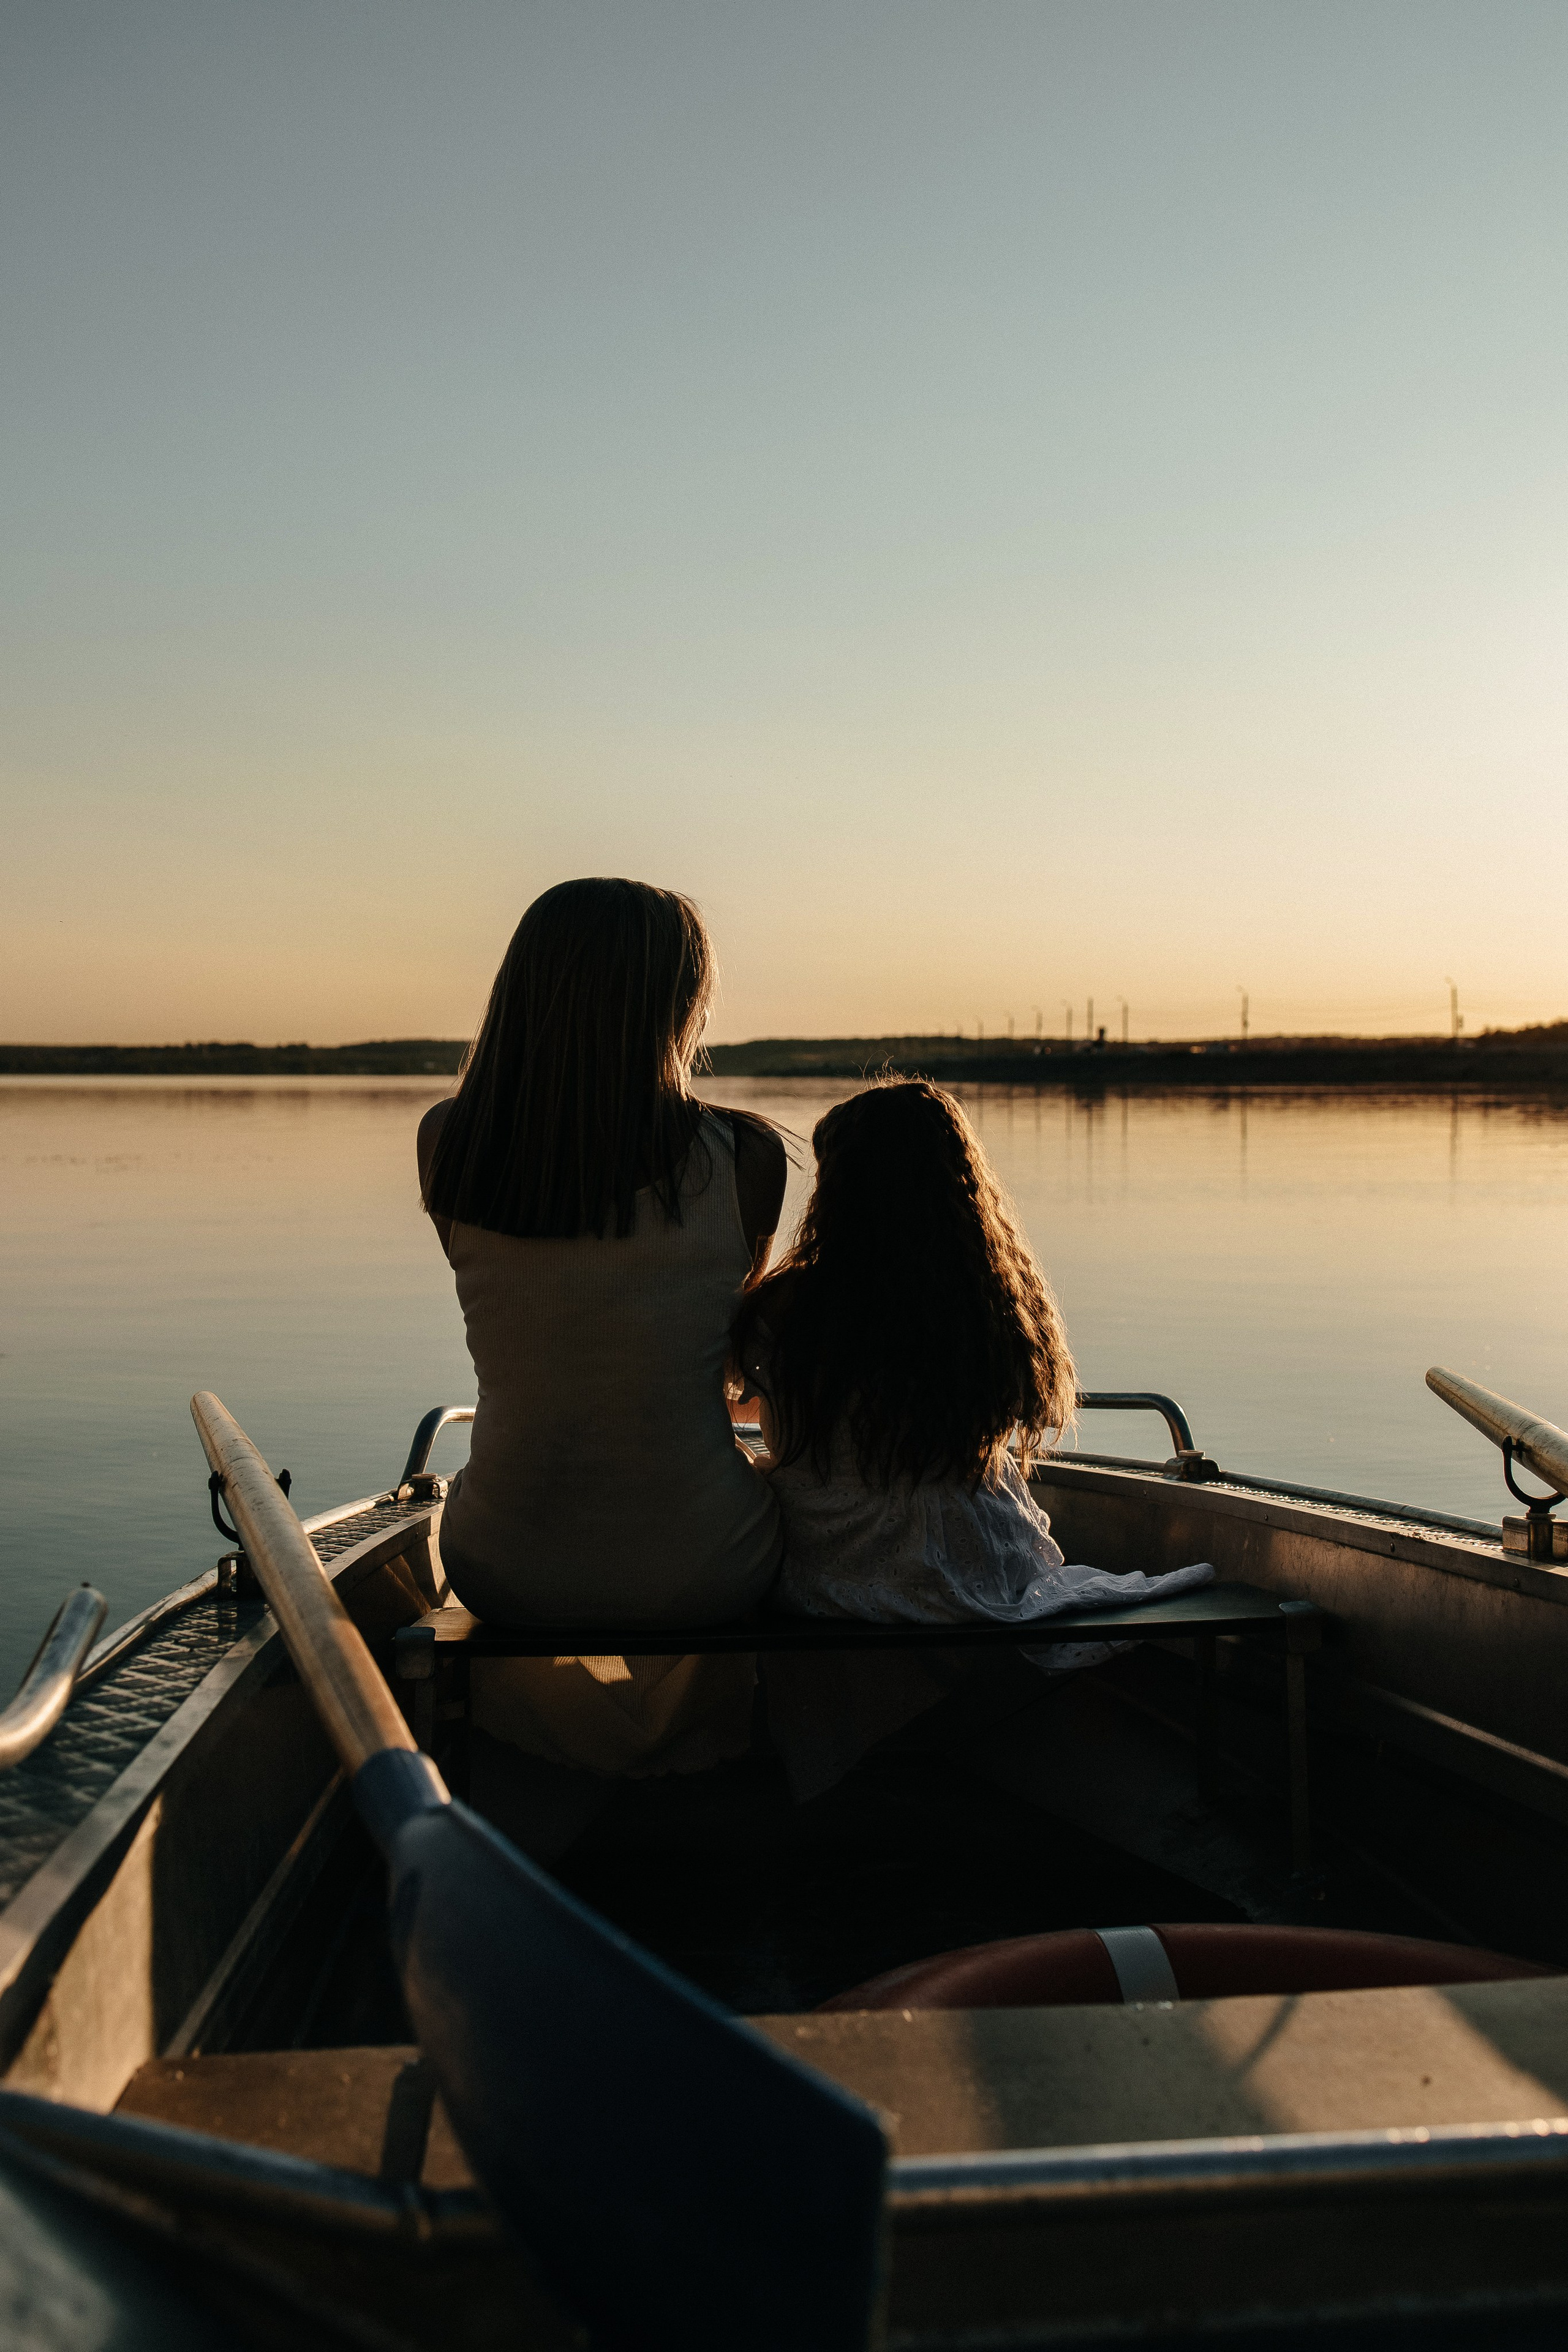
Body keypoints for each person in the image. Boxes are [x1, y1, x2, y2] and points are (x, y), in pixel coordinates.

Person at [730, 1079, 1213, 1795]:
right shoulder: (987, 1302)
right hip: (973, 1558)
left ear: (839, 1189)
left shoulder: (789, 1305)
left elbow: (744, 1406)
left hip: (834, 1567)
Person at [418, 877, 786, 1783]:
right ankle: (730, 1762)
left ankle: (534, 1760)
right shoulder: (746, 1159)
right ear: (678, 1005)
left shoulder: (447, 1143)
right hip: (703, 1567)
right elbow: (726, 1342)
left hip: (500, 1565)